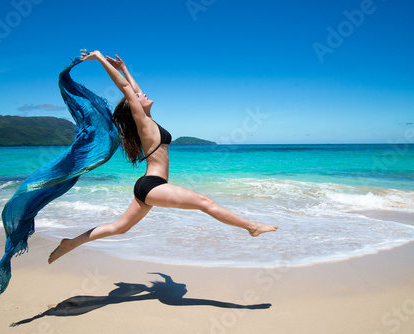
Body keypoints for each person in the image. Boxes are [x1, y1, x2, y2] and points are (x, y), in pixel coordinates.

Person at [48, 50, 278, 264]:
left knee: (119, 227)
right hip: (151, 185)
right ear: (135, 107)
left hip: (151, 185)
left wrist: (125, 67)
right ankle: (252, 227)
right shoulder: (143, 122)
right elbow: (126, 88)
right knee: (204, 202)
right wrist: (100, 58)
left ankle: (71, 242)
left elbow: (134, 90)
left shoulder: (148, 119)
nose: (143, 94)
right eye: (138, 97)